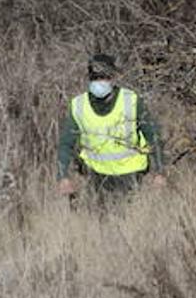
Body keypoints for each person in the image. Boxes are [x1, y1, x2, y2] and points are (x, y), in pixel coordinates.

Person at [57, 53, 165, 198]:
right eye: (95, 77)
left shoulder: (131, 101)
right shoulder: (78, 105)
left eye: (104, 77)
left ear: (112, 77)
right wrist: (62, 176)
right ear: (89, 78)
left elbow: (153, 135)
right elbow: (66, 143)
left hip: (131, 176)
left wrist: (160, 172)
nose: (100, 82)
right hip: (94, 177)